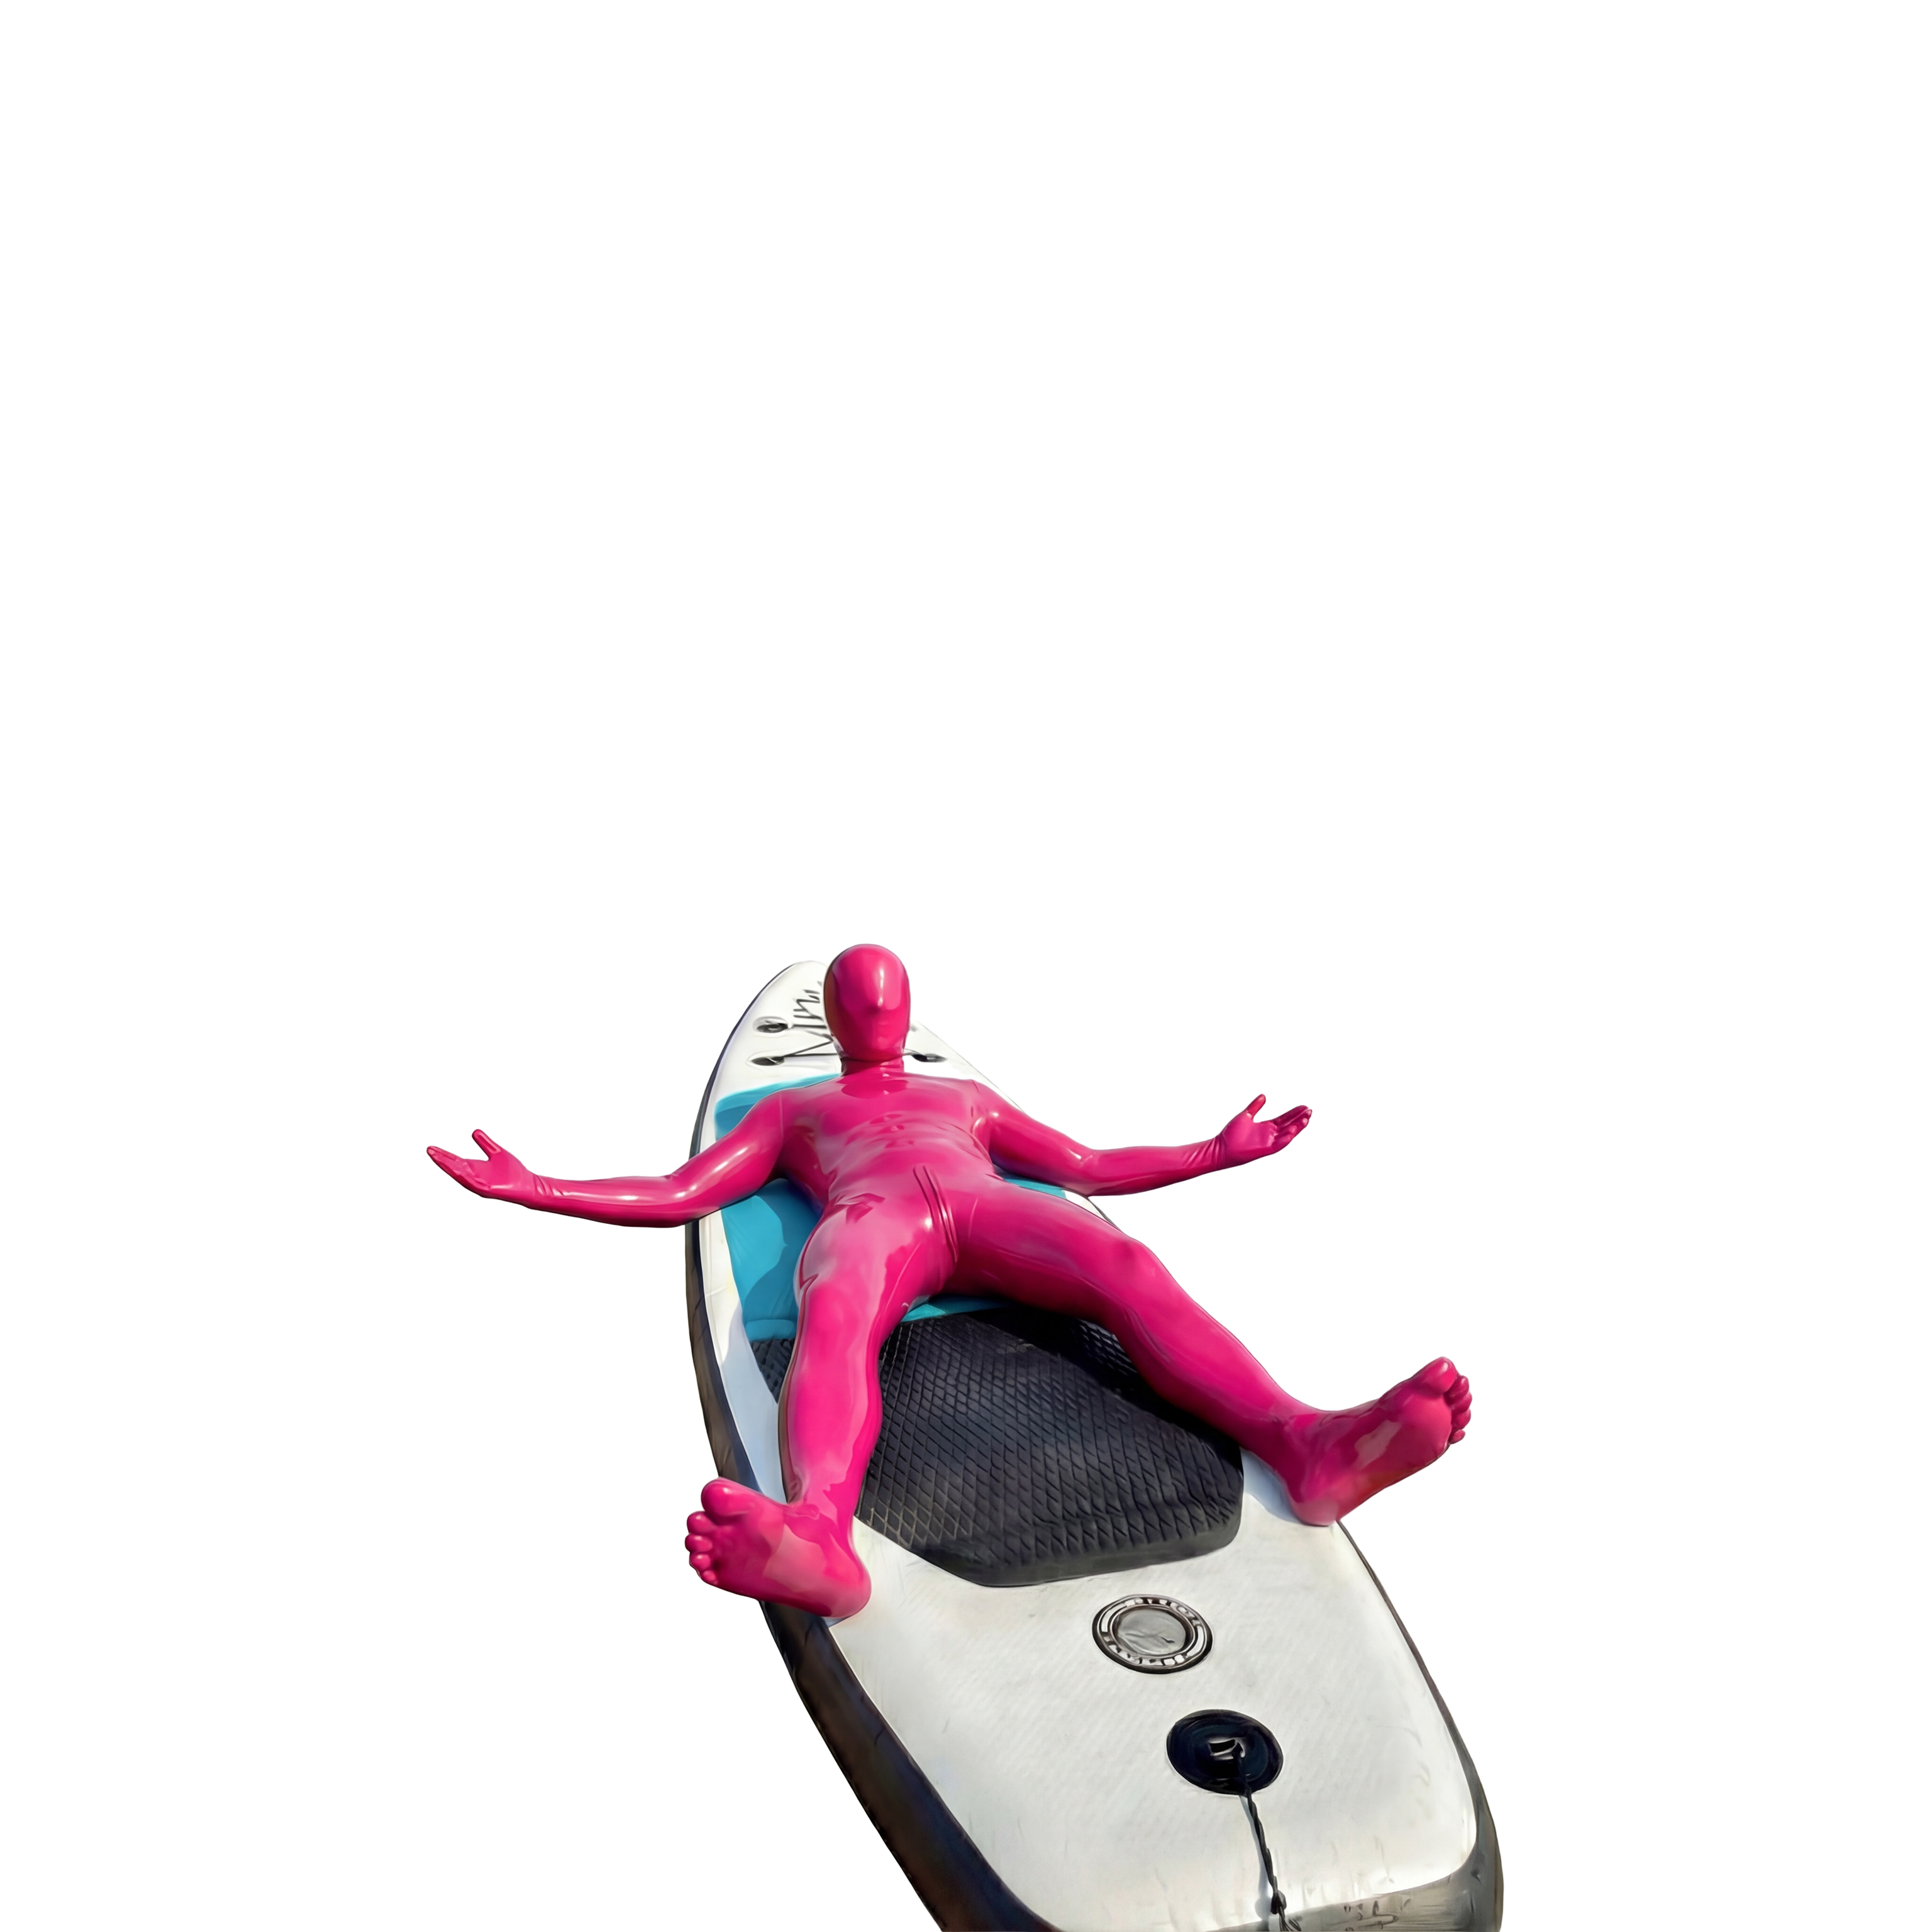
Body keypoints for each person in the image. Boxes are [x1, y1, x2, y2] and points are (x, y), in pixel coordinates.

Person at [426, 943, 1473, 1618]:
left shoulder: (960, 1099)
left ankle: (1308, 1443)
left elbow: (1082, 1166)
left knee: (1121, 1260)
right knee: (839, 1300)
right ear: (849, 1018)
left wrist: (1213, 1151)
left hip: (986, 1210)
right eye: (866, 995)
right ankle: (820, 1535)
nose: (877, 1008)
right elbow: (683, 1192)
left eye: (884, 993)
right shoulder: (793, 1113)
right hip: (873, 1218)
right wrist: (537, 1187)